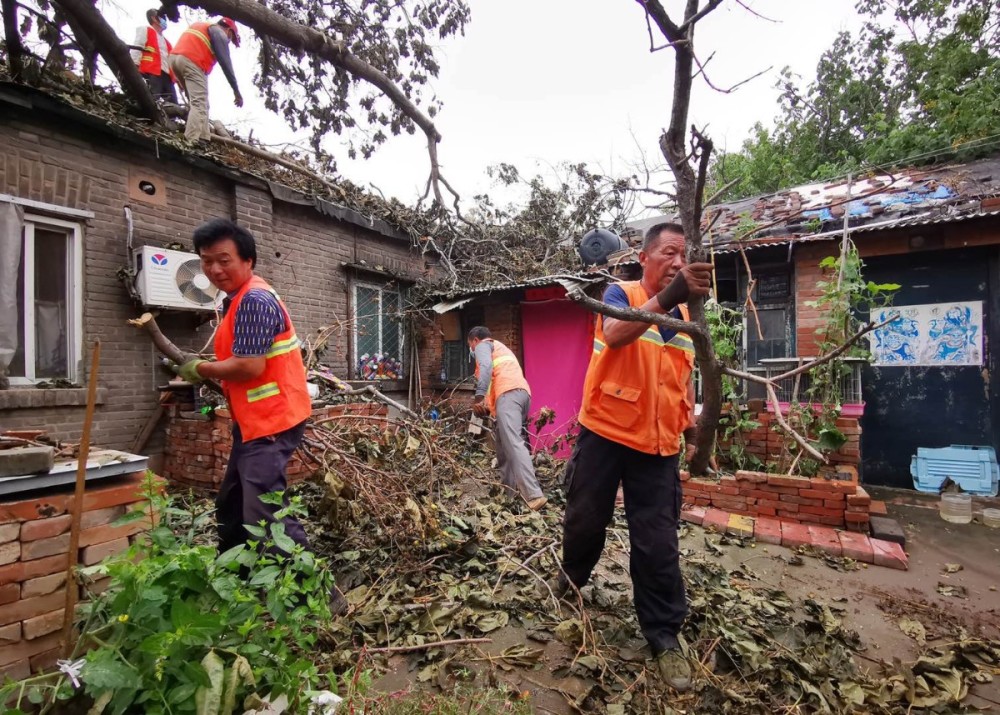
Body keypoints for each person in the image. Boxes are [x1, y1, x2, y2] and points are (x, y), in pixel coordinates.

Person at [551, 223, 713, 691]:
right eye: (669, 253)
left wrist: (692, 426)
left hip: (658, 446)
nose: (678, 264)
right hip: (605, 431)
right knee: (584, 520)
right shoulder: (617, 294)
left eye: (684, 257)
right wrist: (665, 300)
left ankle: (663, 636)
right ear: (644, 257)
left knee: (658, 544)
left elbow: (681, 379)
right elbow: (618, 333)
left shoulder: (688, 316)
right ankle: (572, 579)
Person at [175, 218, 346, 615]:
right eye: (206, 262)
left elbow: (249, 368)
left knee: (264, 509)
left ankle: (322, 595)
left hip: (272, 420)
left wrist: (201, 369)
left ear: (247, 260)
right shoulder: (236, 299)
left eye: (224, 261)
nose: (215, 270)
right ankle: (238, 574)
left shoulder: (253, 301)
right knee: (232, 502)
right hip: (256, 421)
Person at [468, 327, 547, 511]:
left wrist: (478, 397)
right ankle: (509, 495)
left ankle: (533, 495)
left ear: (475, 340)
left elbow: (486, 369)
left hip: (508, 394)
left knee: (512, 442)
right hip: (519, 395)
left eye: (469, 345)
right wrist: (486, 407)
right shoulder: (501, 349)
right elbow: (493, 385)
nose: (471, 350)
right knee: (503, 447)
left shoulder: (483, 346)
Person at [168, 17, 244, 142]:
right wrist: (236, 90)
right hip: (192, 62)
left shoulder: (200, 25)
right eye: (231, 37)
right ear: (229, 30)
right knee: (199, 104)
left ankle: (203, 138)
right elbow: (226, 63)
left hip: (175, 59)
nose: (229, 40)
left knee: (201, 104)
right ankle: (190, 140)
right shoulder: (219, 33)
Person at [130, 9, 177, 103]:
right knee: (152, 98)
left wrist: (177, 79)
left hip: (167, 76)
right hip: (152, 71)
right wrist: (133, 65)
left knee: (173, 103)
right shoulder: (145, 30)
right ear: (154, 18)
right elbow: (138, 46)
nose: (165, 20)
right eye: (162, 18)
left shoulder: (167, 42)